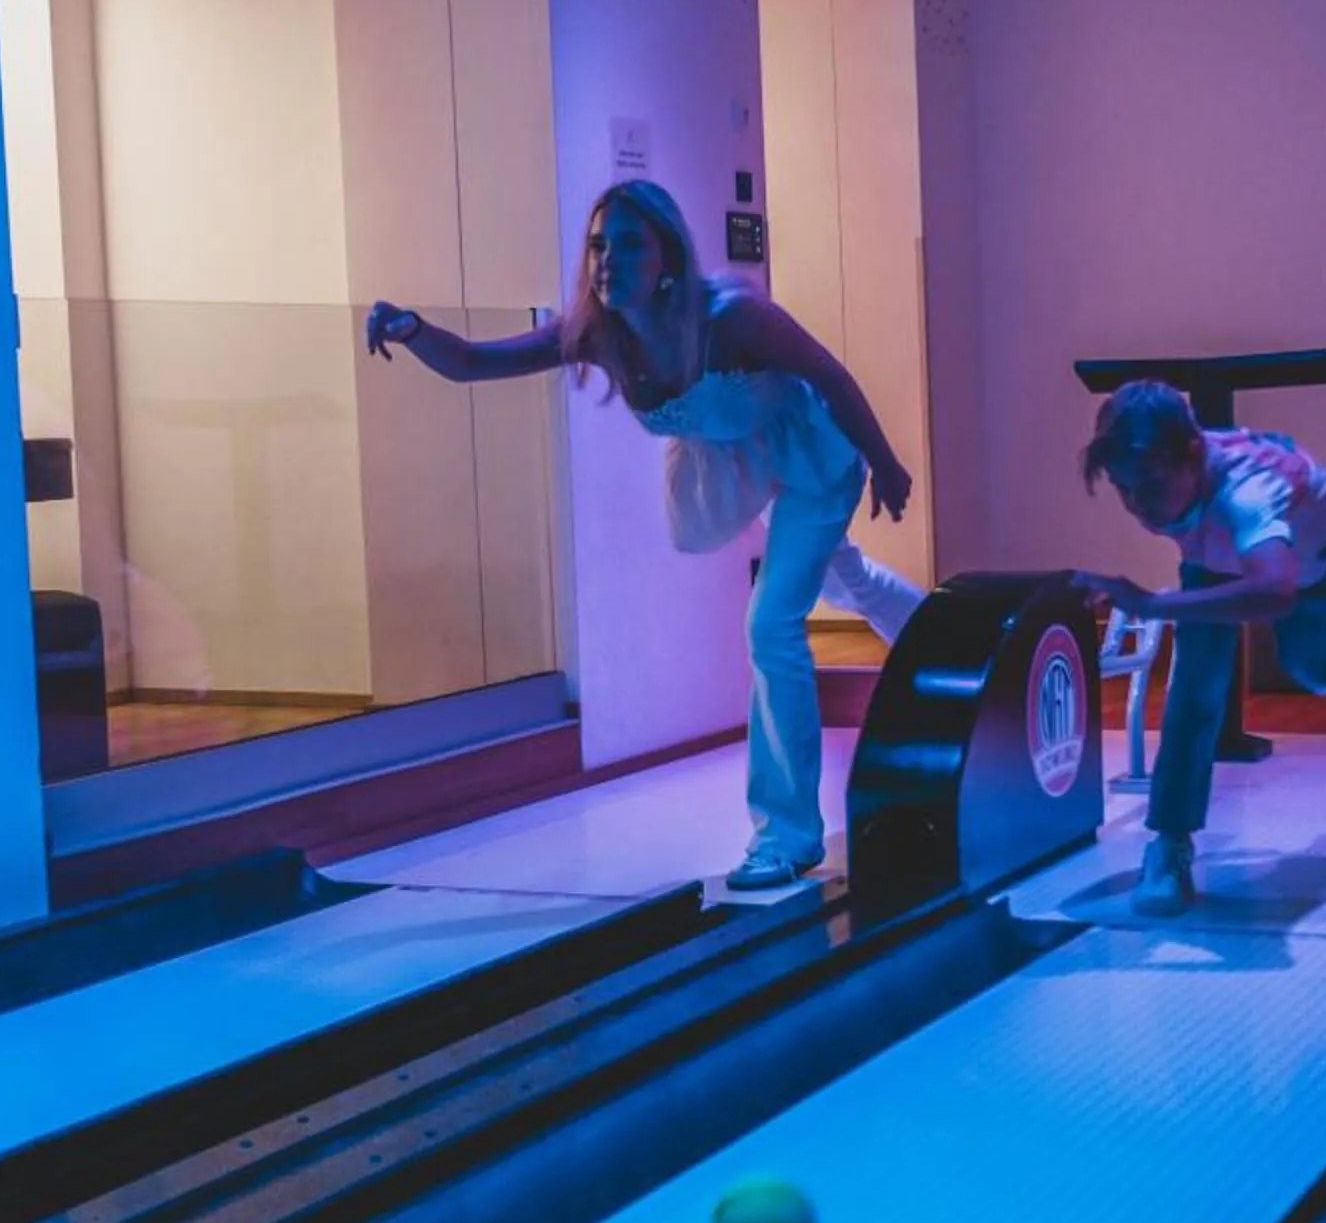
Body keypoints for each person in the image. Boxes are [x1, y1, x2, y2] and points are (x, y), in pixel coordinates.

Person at [366, 179, 921, 891]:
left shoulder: (733, 316)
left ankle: (788, 833)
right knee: (847, 580)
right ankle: (935, 636)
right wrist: (412, 328)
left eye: (630, 245)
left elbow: (829, 375)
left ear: (667, 258)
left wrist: (886, 464)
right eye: (599, 245)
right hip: (745, 468)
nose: (609, 260)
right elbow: (476, 362)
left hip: (812, 453)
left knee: (771, 622)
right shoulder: (601, 336)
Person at [1072, 380, 1326, 919]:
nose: (1139, 504)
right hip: (1219, 549)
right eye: (1124, 488)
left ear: (1193, 456)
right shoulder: (1175, 470)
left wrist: (1149, 604)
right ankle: (1169, 846)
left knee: (1322, 670)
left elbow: (1275, 592)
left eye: (1150, 484)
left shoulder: (1247, 495)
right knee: (1194, 689)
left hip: (1302, 553)